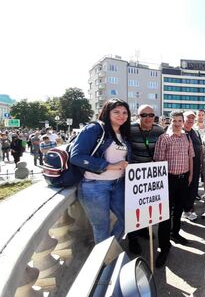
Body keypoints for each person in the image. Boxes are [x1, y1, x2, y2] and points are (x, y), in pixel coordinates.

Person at [71, 98, 131, 244]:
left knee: (128, 219)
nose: (121, 115)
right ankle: (106, 263)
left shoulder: (123, 133)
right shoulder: (95, 129)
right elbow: (76, 156)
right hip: (94, 185)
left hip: (118, 184)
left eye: (124, 112)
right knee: (101, 227)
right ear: (106, 112)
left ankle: (110, 249)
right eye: (116, 111)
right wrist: (109, 166)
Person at [153, 111, 195, 267]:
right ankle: (164, 247)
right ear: (170, 121)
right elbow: (158, 161)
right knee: (165, 214)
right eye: (174, 120)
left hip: (184, 178)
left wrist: (190, 174)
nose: (177, 123)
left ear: (183, 122)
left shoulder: (187, 137)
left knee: (178, 210)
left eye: (180, 120)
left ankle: (175, 233)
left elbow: (190, 156)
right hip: (168, 179)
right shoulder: (164, 138)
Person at [128, 104, 165, 254]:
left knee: (147, 204)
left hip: (151, 175)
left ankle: (143, 230)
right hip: (134, 176)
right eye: (144, 115)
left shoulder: (159, 130)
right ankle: (132, 239)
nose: (148, 118)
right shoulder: (130, 130)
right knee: (133, 208)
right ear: (138, 116)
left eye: (151, 115)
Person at [182, 110, 202, 221]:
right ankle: (183, 210)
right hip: (183, 167)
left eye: (192, 118)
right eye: (187, 118)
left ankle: (187, 210)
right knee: (184, 190)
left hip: (195, 166)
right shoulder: (179, 132)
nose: (190, 120)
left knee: (193, 189)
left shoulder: (195, 132)